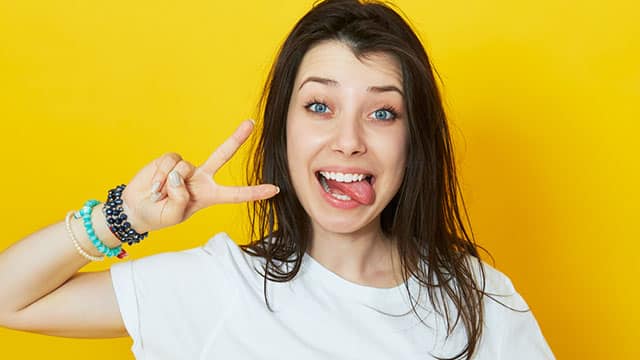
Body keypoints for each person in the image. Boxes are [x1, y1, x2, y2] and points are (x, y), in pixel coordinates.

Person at [0, 0, 554, 359]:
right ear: (282, 131)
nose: (349, 139)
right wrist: (127, 216)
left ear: (415, 141)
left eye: (383, 112)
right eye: (319, 106)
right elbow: (10, 300)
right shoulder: (221, 287)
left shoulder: (477, 298)